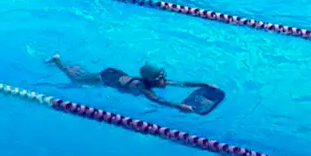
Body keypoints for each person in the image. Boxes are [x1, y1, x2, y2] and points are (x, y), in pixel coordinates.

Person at [48, 55, 214, 112]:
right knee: (77, 80)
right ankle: (58, 62)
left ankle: (74, 66)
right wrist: (178, 106)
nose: (164, 82)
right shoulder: (143, 88)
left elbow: (182, 84)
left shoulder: (153, 81)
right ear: (151, 81)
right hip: (106, 78)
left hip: (117, 73)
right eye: (160, 79)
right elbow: (157, 101)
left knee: (84, 76)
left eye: (164, 78)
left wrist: (203, 83)